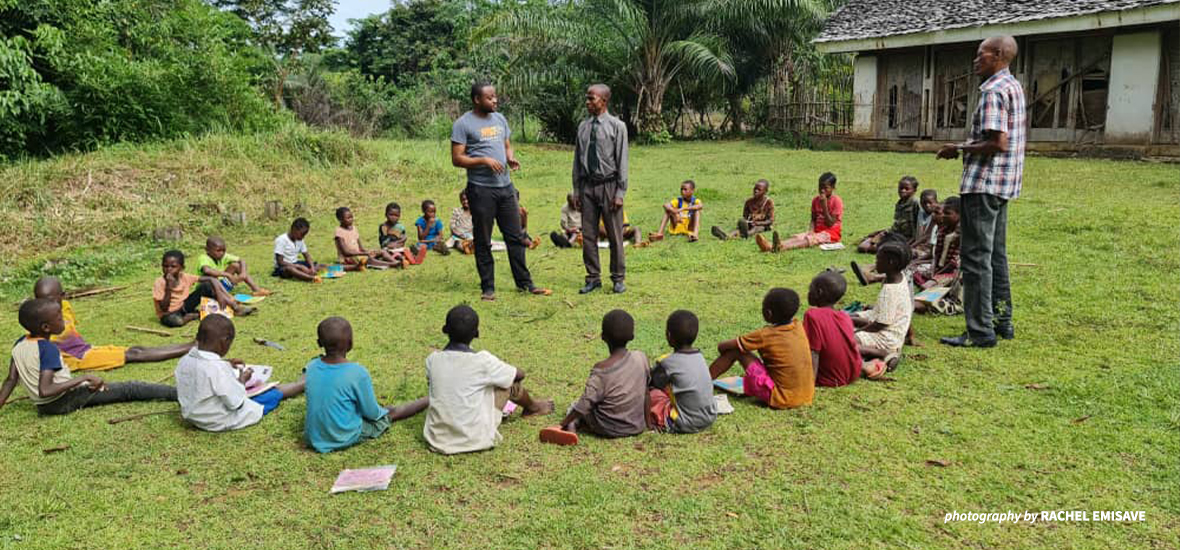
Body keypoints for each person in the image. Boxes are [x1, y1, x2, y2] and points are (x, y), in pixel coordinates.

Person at [936, 35, 1025, 348]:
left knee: (975, 258)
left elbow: (996, 143)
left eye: (981, 55)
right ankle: (1002, 321)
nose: (976, 61)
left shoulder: (993, 91)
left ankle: (979, 331)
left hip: (983, 185)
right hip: (1003, 186)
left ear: (998, 55)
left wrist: (957, 147)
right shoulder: (1013, 86)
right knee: (996, 256)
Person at [451, 81, 550, 300]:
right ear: (477, 100)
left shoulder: (500, 119)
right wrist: (484, 160)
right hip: (480, 190)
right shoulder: (463, 123)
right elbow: (457, 159)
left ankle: (525, 283)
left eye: (495, 96)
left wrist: (510, 157)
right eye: (490, 97)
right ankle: (488, 287)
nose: (495, 100)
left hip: (505, 188)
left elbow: (506, 145)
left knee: (515, 236)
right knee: (483, 238)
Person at [0, 299, 177, 415]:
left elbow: (10, 380)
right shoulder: (48, 349)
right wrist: (84, 377)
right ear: (46, 327)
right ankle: (179, 394)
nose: (65, 321)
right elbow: (45, 390)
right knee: (130, 388)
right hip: (61, 402)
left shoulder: (20, 343)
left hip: (45, 405)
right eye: (60, 318)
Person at [423, 305, 555, 454]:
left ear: (444, 329)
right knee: (509, 384)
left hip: (437, 441)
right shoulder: (483, 361)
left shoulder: (432, 360)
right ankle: (533, 408)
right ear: (477, 334)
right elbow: (519, 375)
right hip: (477, 439)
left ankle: (531, 407)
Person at [304, 317, 428, 453]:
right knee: (390, 413)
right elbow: (373, 413)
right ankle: (428, 399)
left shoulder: (311, 366)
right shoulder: (357, 373)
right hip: (342, 437)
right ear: (350, 343)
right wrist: (384, 411)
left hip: (313, 437)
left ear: (319, 343)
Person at [33, 276, 192, 372]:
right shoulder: (40, 323)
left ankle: (189, 344)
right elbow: (36, 349)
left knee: (137, 348)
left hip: (88, 348)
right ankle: (192, 347)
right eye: (40, 300)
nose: (46, 305)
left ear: (62, 296)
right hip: (79, 358)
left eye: (51, 300)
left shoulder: (65, 307)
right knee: (135, 355)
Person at [175, 315, 305, 432]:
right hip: (217, 420)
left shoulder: (185, 360)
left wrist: (226, 363)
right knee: (272, 392)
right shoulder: (218, 368)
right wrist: (242, 380)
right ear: (225, 341)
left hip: (193, 416)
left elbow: (204, 371)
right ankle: (304, 383)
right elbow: (235, 403)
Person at [708, 288, 814, 409]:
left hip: (779, 398)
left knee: (735, 351)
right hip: (806, 395)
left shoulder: (765, 335)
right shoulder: (798, 326)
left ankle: (703, 382)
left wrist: (723, 349)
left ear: (768, 313)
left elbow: (724, 346)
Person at [553, 310, 648, 439]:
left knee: (574, 406)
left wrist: (561, 424)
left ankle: (571, 426)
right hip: (636, 426)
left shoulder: (601, 370)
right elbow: (647, 392)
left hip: (607, 427)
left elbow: (584, 404)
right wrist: (649, 424)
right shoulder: (641, 358)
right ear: (632, 336)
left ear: (603, 336)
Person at [573, 84, 630, 294]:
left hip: (609, 185)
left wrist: (620, 192)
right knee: (588, 235)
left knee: (615, 234)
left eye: (592, 99)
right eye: (587, 99)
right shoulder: (583, 127)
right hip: (588, 186)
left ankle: (618, 277)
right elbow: (577, 161)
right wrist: (577, 190)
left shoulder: (617, 127)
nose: (588, 102)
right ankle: (592, 277)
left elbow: (622, 160)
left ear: (603, 101)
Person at [648, 310, 717, 433]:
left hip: (684, 422)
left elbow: (652, 382)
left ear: (668, 336)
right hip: (709, 417)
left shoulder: (668, 363)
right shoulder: (699, 356)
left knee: (651, 395)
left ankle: (662, 421)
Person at [853, 242, 913, 378]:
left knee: (846, 341)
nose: (875, 263)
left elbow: (880, 324)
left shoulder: (890, 291)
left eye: (878, 260)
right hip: (883, 320)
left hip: (886, 337)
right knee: (846, 317)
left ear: (890, 263)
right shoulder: (898, 277)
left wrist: (859, 331)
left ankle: (882, 354)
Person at [154, 250, 253, 328]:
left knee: (207, 285)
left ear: (182, 268)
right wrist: (168, 287)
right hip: (169, 314)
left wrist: (219, 294)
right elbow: (164, 308)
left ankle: (235, 307)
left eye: (173, 266)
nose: (169, 269)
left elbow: (210, 279)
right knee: (177, 322)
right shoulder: (160, 282)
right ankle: (192, 316)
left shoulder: (184, 277)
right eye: (165, 266)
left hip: (184, 306)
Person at [757, 172, 843, 253]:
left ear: (833, 188)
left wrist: (824, 206)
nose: (822, 190)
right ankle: (771, 245)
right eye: (820, 187)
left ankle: (782, 247)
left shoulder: (836, 201)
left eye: (826, 188)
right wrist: (811, 230)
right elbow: (813, 219)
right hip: (817, 231)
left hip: (831, 234)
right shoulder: (816, 200)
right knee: (799, 237)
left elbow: (830, 224)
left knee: (808, 240)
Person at [803, 272, 861, 387]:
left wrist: (809, 383)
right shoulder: (844, 316)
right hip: (853, 374)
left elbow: (814, 352)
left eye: (810, 289)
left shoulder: (812, 315)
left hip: (830, 379)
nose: (808, 292)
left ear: (819, 292)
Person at [856, 176, 921, 253]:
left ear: (914, 190)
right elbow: (898, 225)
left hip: (907, 239)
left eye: (907, 189)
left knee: (868, 247)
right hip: (897, 235)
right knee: (864, 245)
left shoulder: (915, 203)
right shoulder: (900, 203)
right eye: (901, 188)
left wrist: (913, 242)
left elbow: (919, 227)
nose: (903, 191)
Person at [196, 236, 270, 296]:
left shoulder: (223, 256)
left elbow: (242, 260)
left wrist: (243, 273)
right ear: (207, 250)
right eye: (218, 251)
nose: (221, 253)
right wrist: (227, 275)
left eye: (223, 250)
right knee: (211, 278)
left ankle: (257, 290)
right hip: (207, 289)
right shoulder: (203, 258)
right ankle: (224, 296)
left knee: (236, 266)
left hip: (221, 285)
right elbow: (207, 270)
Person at [335, 207, 400, 270]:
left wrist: (368, 252)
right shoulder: (339, 233)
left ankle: (395, 261)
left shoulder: (354, 228)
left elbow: (361, 248)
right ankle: (392, 265)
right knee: (369, 260)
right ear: (340, 219)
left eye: (351, 217)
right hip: (348, 258)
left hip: (359, 254)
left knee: (382, 251)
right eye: (348, 218)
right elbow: (346, 252)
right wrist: (364, 254)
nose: (351, 219)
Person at [273, 218, 322, 282]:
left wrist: (312, 267)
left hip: (295, 263)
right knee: (290, 269)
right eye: (302, 234)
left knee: (317, 265)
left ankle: (336, 269)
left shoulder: (300, 240)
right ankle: (311, 278)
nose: (303, 237)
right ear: (294, 229)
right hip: (283, 267)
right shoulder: (281, 240)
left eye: (304, 235)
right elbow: (280, 262)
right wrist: (299, 267)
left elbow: (306, 255)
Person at [910, 189, 941, 261]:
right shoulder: (920, 212)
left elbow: (927, 236)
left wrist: (912, 246)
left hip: (927, 249)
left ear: (936, 202)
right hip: (919, 246)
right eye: (924, 203)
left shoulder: (936, 216)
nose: (927, 205)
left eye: (930, 203)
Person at [449, 190, 475, 255]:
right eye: (463, 200)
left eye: (467, 199)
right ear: (460, 201)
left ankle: (472, 245)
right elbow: (452, 227)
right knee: (458, 243)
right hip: (458, 236)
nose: (465, 201)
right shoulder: (457, 212)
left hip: (471, 237)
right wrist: (463, 235)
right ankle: (466, 248)